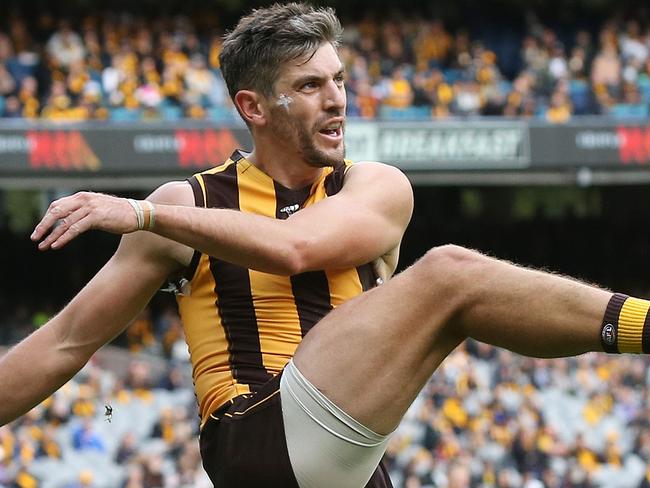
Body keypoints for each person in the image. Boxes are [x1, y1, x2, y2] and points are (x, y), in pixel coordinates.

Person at [0, 3, 647, 487]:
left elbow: (296, 248)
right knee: (452, 273)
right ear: (253, 107)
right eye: (311, 86)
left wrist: (140, 214)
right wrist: (153, 217)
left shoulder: (376, 188)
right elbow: (65, 344)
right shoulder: (185, 206)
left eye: (339, 79)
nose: (337, 100)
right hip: (256, 441)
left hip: (347, 463)